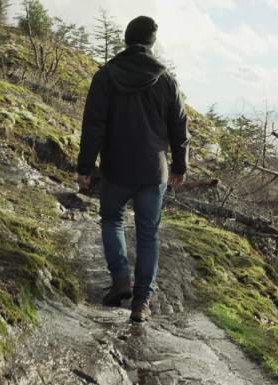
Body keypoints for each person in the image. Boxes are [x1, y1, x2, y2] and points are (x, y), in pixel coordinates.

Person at [75, 15, 190, 322]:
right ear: (151, 43)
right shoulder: (166, 79)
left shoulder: (107, 75)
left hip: (117, 168)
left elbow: (93, 125)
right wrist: (180, 165)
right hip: (153, 172)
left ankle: (121, 280)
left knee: (112, 219)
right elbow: (180, 127)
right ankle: (141, 302)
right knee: (148, 233)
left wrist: (85, 166)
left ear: (126, 40)